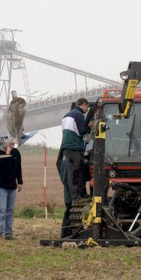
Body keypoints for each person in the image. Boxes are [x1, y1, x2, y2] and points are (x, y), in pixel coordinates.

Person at [57, 98, 91, 237]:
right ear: (83, 104)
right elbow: (82, 130)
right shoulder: (78, 115)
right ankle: (77, 195)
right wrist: (90, 125)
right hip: (74, 147)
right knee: (75, 171)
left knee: (75, 171)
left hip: (69, 147)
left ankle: (65, 233)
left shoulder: (67, 116)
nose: (87, 109)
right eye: (87, 107)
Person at [0, 141, 23, 240]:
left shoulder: (16, 153)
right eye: (10, 142)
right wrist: (7, 153)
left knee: (10, 211)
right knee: (2, 210)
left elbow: (18, 167)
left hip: (12, 186)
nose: (12, 144)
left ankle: (8, 234)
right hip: (1, 186)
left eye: (13, 142)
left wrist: (20, 182)